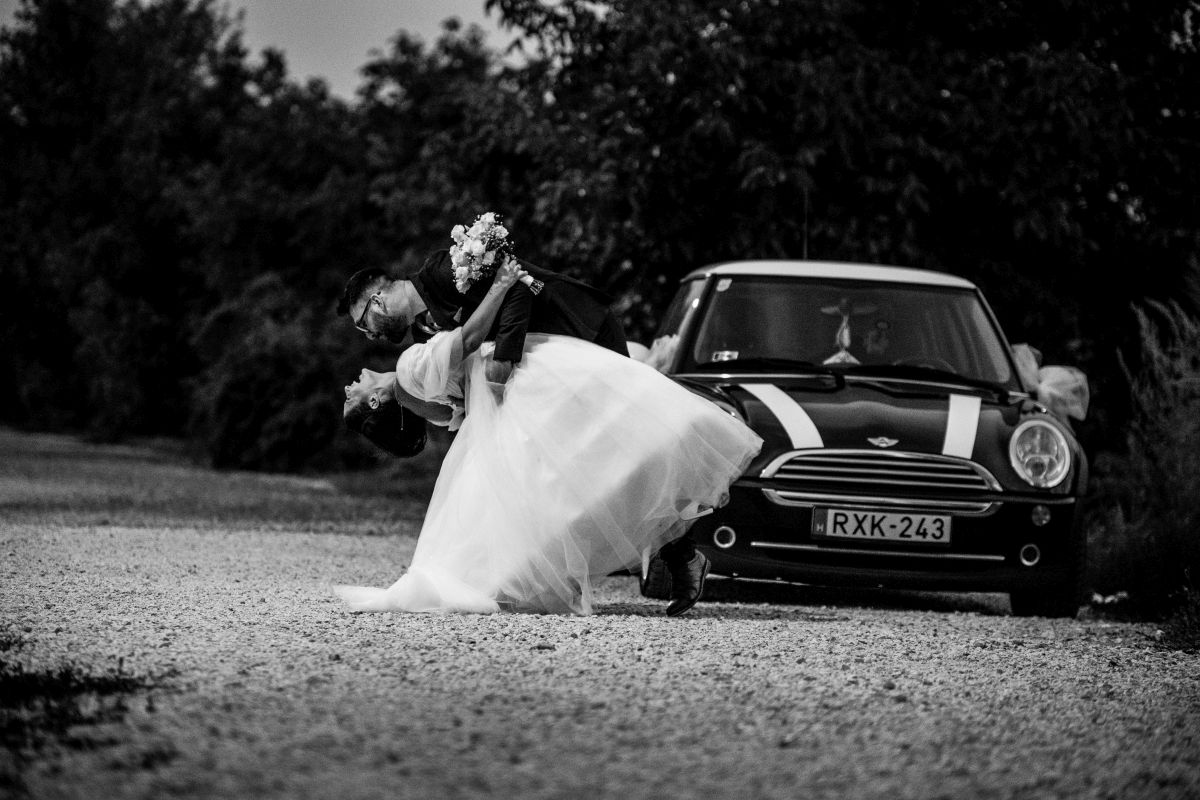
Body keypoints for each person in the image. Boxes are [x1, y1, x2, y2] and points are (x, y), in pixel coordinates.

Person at [335, 259, 762, 615]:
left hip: (571, 332)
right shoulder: (418, 345)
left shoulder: (446, 270)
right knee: (581, 470)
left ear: (379, 297)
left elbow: (517, 288)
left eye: (364, 322)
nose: (370, 335)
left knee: (626, 440)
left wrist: (503, 349)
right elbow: (461, 373)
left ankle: (676, 557)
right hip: (529, 376)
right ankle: (668, 560)